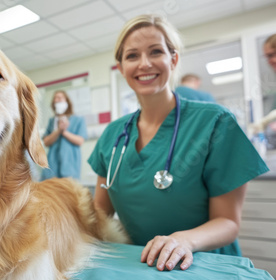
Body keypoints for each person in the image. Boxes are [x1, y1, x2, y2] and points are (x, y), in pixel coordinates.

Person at [88, 14, 268, 272]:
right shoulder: (113, 135)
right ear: (120, 67)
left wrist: (184, 240)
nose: (144, 64)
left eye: (155, 51)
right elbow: (99, 216)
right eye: (132, 56)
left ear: (173, 59)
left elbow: (228, 222)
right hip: (140, 266)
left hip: (201, 265)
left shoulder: (215, 123)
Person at [41, 90, 88, 181]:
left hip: (70, 164)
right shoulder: (52, 121)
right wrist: (58, 131)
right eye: (55, 98)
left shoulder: (78, 120)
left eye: (59, 98)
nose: (56, 100)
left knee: (68, 191)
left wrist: (64, 132)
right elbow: (46, 142)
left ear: (67, 101)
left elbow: (80, 141)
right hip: (52, 165)